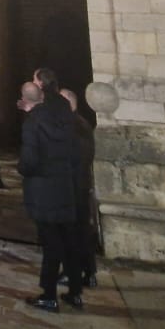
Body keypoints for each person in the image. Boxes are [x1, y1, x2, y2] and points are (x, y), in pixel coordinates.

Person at [18, 80, 87, 313]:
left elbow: (29, 161)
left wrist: (22, 169)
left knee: (51, 244)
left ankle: (49, 295)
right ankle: (75, 292)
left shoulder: (33, 123)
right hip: (65, 186)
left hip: (44, 192)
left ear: (26, 100)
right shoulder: (65, 120)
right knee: (69, 241)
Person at [59, 87, 99, 288]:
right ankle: (89, 272)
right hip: (80, 185)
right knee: (82, 230)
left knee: (72, 232)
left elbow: (76, 158)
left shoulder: (73, 125)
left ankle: (72, 273)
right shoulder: (81, 123)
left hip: (73, 186)